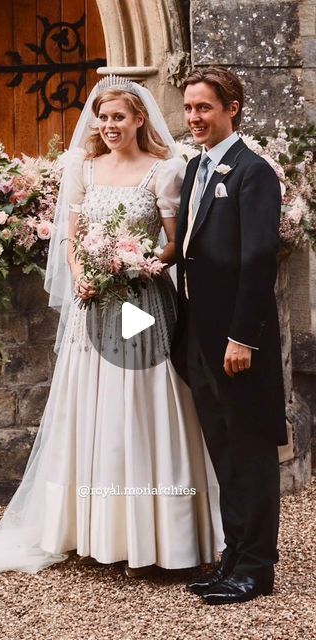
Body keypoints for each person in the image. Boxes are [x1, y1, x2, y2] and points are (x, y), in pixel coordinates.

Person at [0, 75, 222, 576]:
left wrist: (137, 264)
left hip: (142, 303)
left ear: (139, 119)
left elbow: (175, 243)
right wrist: (86, 276)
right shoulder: (84, 167)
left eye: (118, 116)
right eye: (103, 117)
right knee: (92, 409)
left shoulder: (165, 171)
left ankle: (159, 537)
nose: (109, 125)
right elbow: (71, 239)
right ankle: (91, 531)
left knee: (143, 406)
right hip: (93, 305)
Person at [171, 66, 287, 605]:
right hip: (200, 338)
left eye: (204, 108)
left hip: (239, 345)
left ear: (232, 107)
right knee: (223, 451)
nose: (194, 117)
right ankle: (233, 557)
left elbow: (259, 260)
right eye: (189, 108)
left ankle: (257, 568)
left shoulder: (253, 172)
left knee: (251, 452)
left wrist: (243, 337)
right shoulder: (196, 168)